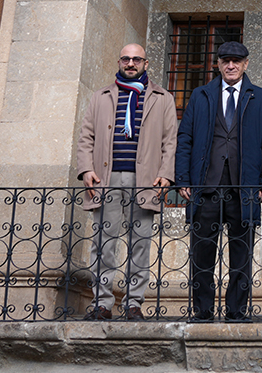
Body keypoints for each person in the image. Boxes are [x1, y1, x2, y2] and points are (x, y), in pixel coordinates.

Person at [175, 41, 262, 321]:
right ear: (218, 64)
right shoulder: (201, 95)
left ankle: (236, 310)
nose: (231, 65)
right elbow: (185, 138)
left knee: (241, 254)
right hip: (205, 186)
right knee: (202, 254)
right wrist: (183, 178)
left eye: (237, 61)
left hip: (244, 188)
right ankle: (203, 310)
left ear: (246, 64)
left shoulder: (261, 97)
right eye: (225, 61)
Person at [76, 44, 177, 321]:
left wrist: (166, 174)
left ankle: (133, 304)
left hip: (145, 181)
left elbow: (170, 141)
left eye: (136, 59)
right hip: (105, 179)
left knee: (140, 242)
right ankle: (103, 303)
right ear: (119, 61)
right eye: (126, 58)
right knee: (103, 242)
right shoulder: (101, 97)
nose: (130, 63)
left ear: (146, 63)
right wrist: (86, 170)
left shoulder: (162, 97)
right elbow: (86, 137)